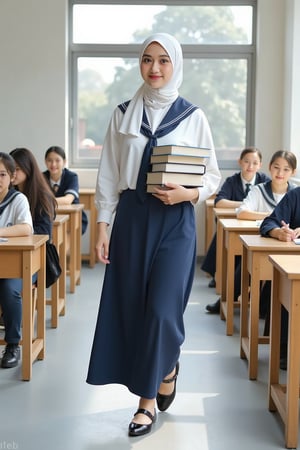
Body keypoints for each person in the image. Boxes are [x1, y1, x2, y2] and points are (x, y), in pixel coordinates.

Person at [86, 33, 221, 437]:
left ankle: (147, 402)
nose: (155, 68)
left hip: (175, 220)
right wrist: (103, 226)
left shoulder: (192, 116)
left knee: (163, 310)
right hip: (132, 217)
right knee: (132, 307)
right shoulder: (123, 113)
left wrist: (189, 193)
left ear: (175, 64)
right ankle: (165, 366)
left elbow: (212, 176)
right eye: (147, 60)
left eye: (163, 60)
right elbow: (109, 174)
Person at [203, 147, 269, 314]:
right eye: (246, 161)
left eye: (254, 163)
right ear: (240, 162)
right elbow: (219, 202)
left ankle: (244, 297)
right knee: (225, 237)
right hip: (237, 225)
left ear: (260, 165)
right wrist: (245, 205)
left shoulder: (264, 181)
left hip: (258, 228)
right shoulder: (232, 181)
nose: (250, 166)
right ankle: (217, 274)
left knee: (247, 255)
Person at [260, 185, 300, 370]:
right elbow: (270, 222)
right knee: (285, 280)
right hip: (294, 264)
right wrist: (279, 232)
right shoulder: (295, 195)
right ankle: (284, 347)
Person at [0, 152, 33, 369]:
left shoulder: (18, 199)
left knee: (8, 288)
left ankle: (12, 344)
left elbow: (26, 228)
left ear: (12, 177)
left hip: (18, 265)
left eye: (1, 174)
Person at [43, 146, 88, 234]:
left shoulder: (71, 177)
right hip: (50, 219)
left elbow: (67, 200)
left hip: (73, 220)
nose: (53, 164)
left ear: (64, 161)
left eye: (57, 160)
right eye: (49, 160)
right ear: (45, 162)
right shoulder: (41, 177)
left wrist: (45, 201)